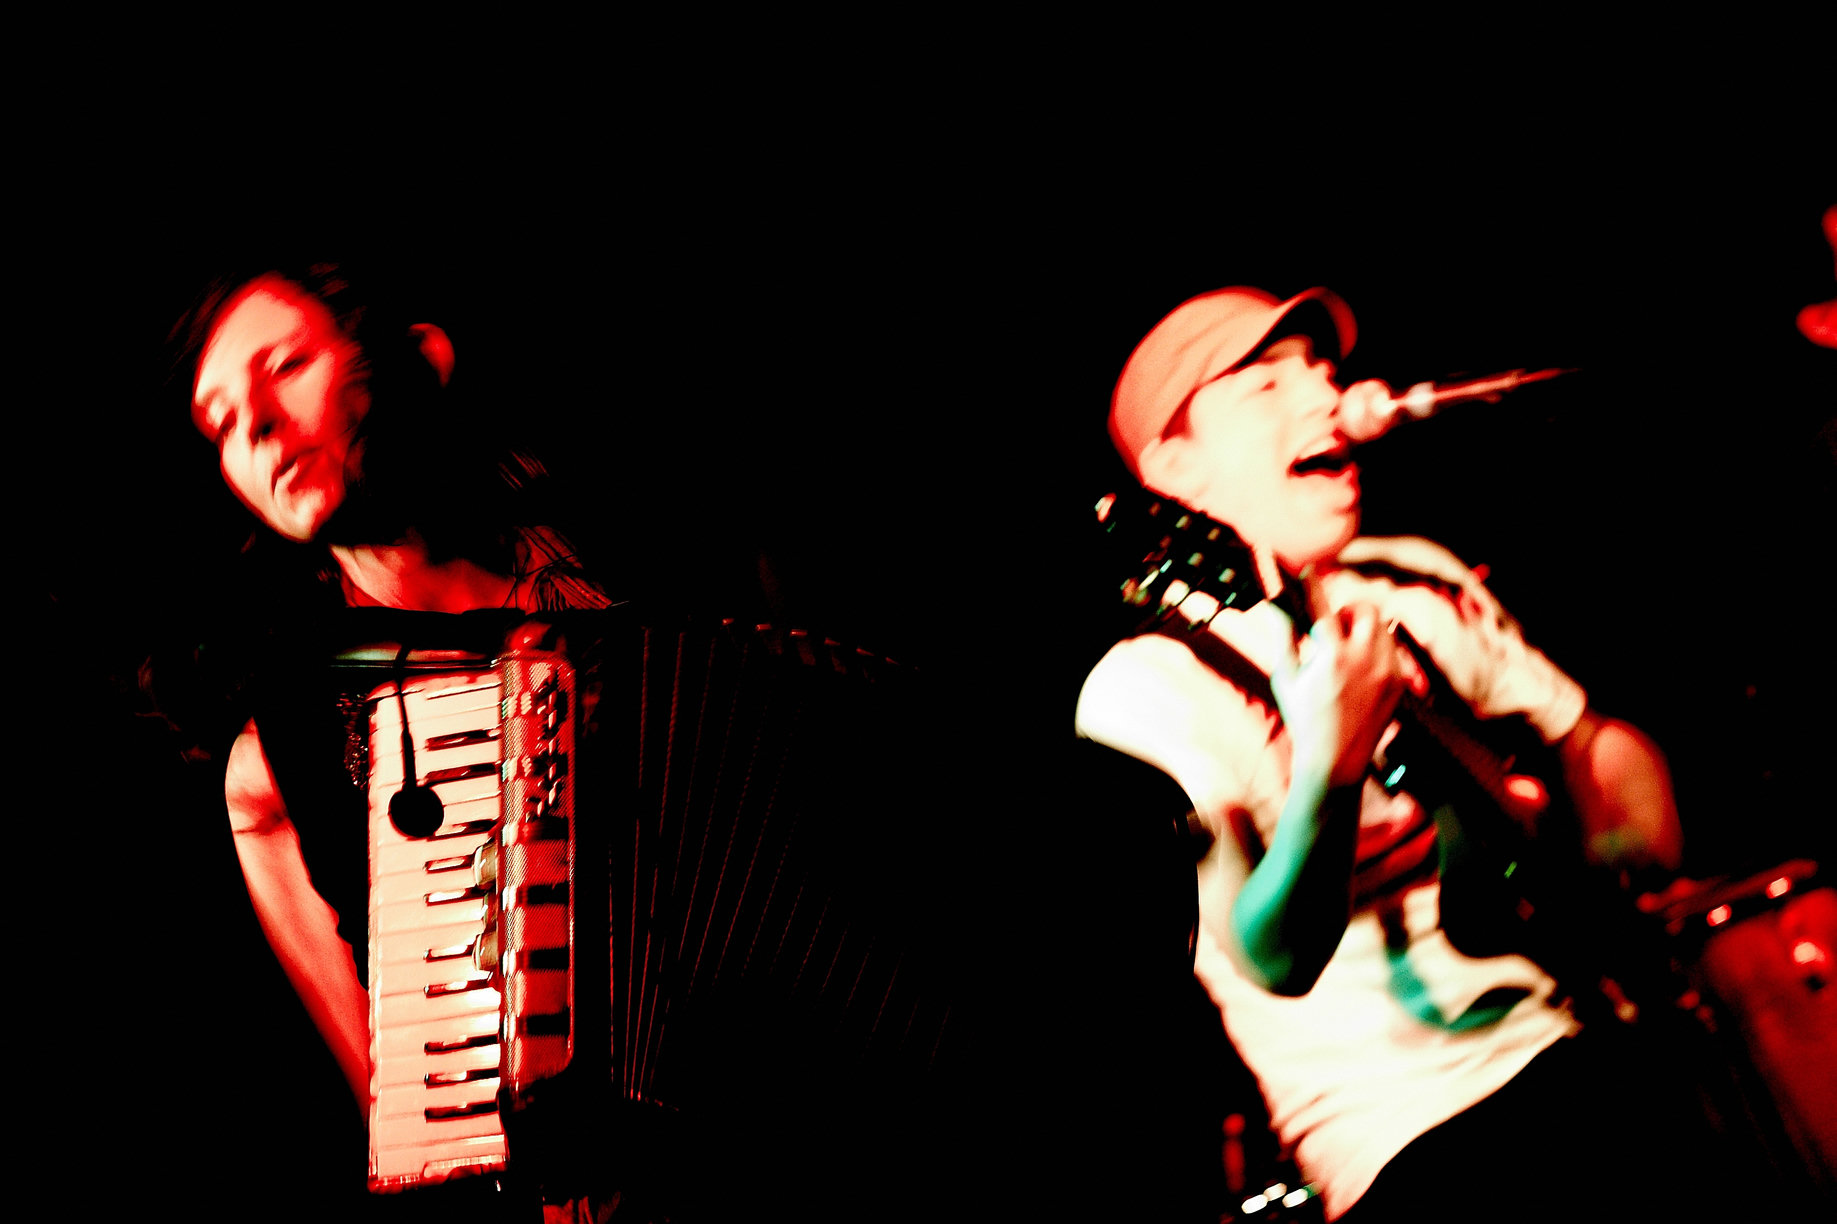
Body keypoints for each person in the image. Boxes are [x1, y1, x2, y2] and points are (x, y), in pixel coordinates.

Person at [1074, 286, 1731, 1220]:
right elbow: (1269, 954)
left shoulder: (1410, 575)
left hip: (1586, 1040)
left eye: (1322, 373)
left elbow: (1588, 738)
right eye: (1264, 385)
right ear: (1174, 468)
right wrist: (1334, 762)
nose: (1326, 397)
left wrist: (1619, 861)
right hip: (1411, 1135)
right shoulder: (1146, 687)